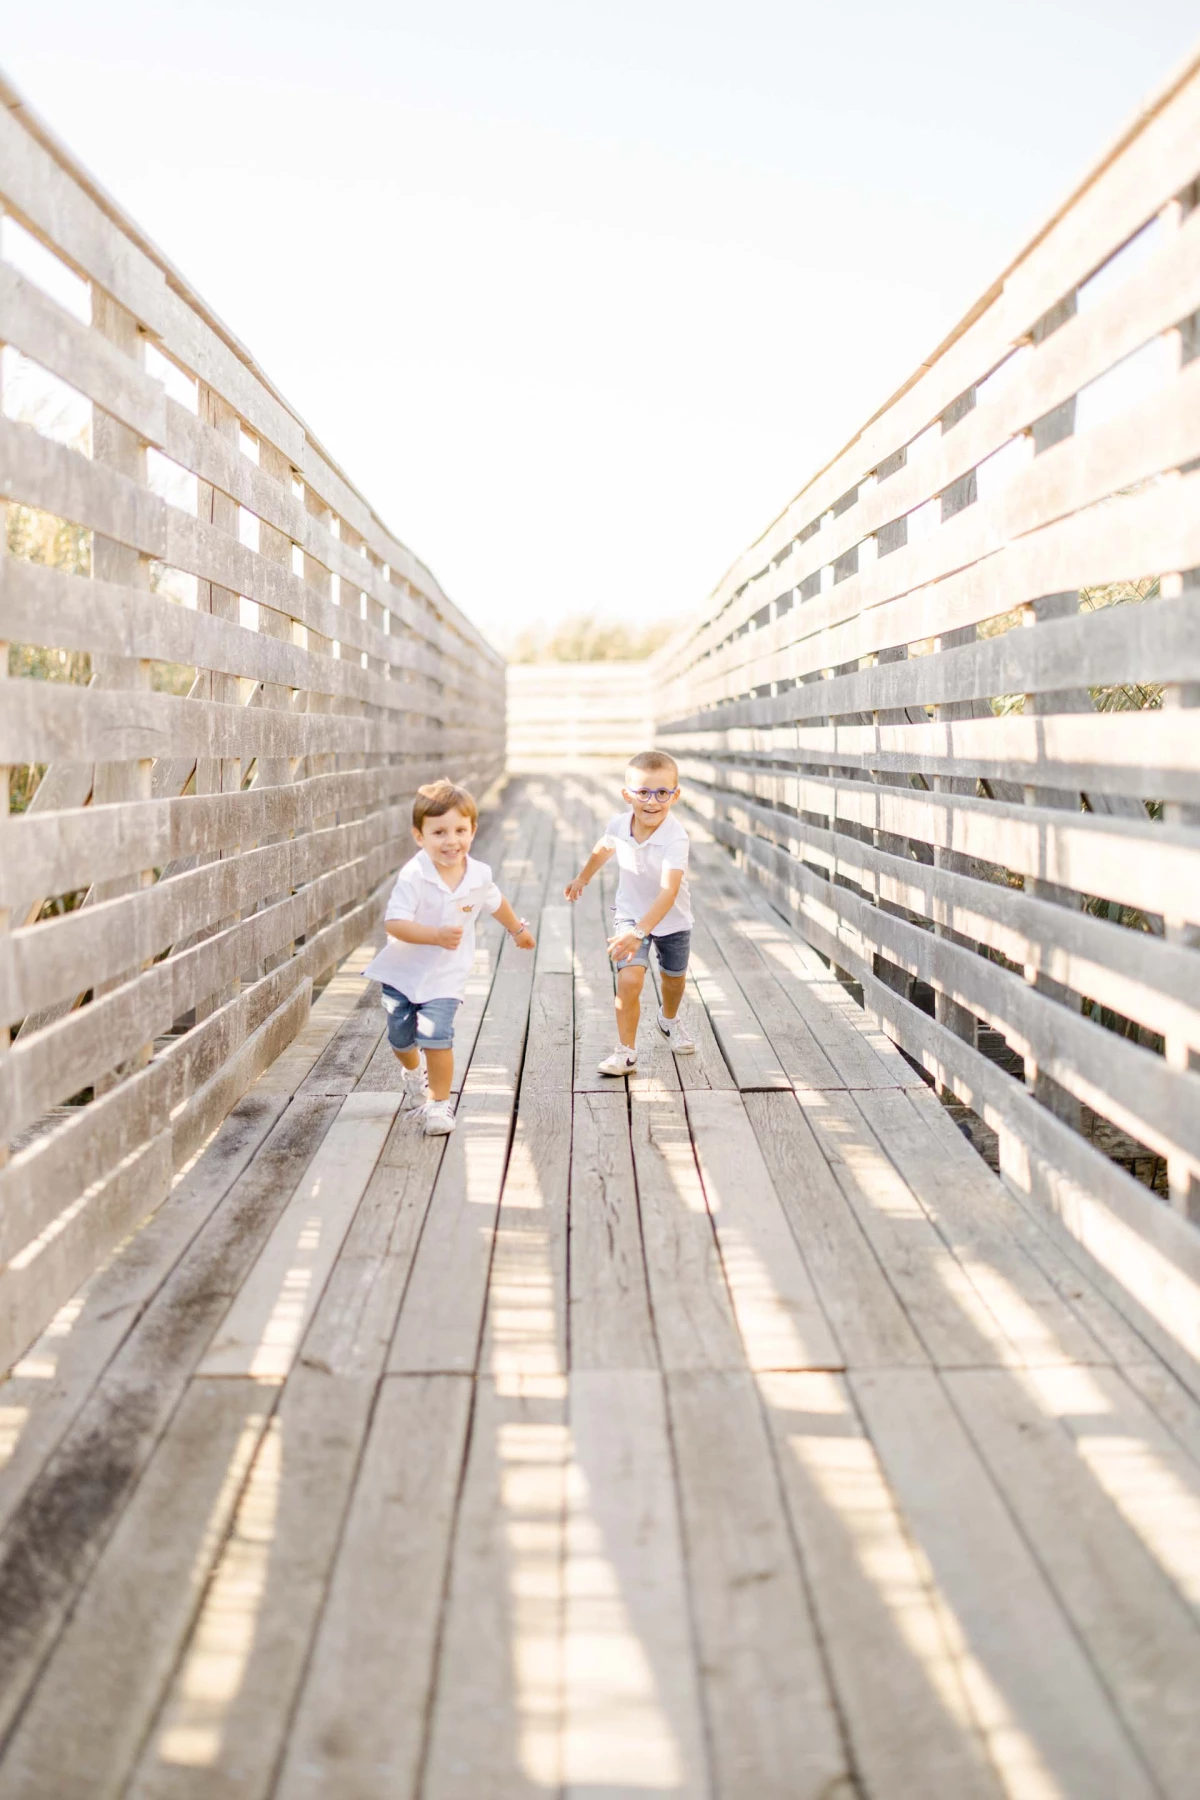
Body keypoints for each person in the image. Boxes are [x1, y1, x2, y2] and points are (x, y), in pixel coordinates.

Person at [363, 779, 535, 1133]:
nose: (451, 841)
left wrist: (517, 929)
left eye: (460, 830)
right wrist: (435, 935)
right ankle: (413, 1072)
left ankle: (439, 1104)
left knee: (436, 1035)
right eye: (439, 832)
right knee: (401, 1038)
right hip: (403, 974)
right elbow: (395, 924)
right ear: (419, 836)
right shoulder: (414, 875)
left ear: (473, 831)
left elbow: (495, 902)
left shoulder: (479, 875)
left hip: (446, 976)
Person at [564, 749, 694, 1074]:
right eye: (643, 792)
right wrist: (583, 877)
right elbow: (604, 846)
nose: (652, 802)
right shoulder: (621, 824)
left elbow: (669, 891)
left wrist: (642, 933)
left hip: (672, 920)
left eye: (662, 792)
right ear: (627, 795)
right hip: (630, 915)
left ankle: (668, 1020)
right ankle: (626, 1052)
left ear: (674, 795)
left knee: (673, 981)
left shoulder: (675, 839)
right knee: (629, 981)